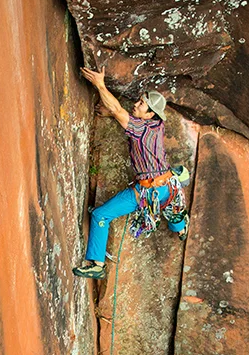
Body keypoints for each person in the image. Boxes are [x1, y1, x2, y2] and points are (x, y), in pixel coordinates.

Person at [74, 67, 189, 280]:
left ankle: (96, 264)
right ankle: (181, 229)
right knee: (171, 207)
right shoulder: (157, 125)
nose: (136, 104)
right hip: (167, 186)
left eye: (141, 104)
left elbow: (119, 111)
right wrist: (112, 114)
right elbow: (124, 117)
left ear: (150, 113)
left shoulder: (143, 128)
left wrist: (100, 85)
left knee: (100, 215)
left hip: (145, 192)